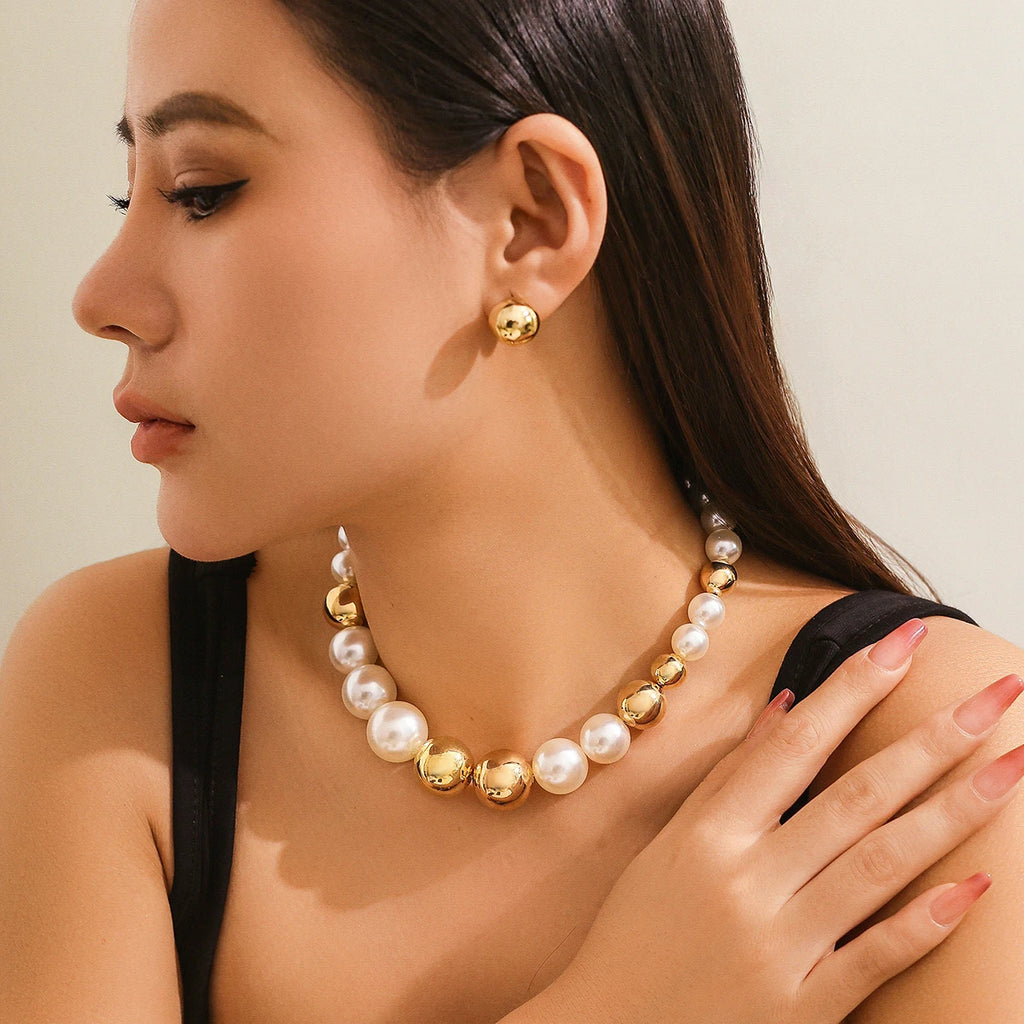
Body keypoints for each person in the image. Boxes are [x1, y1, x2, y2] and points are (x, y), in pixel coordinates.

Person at [1, 0, 1021, 1021]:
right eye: (124, 191)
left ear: (532, 218)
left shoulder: (919, 766)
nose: (102, 294)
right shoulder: (119, 680)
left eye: (201, 191)